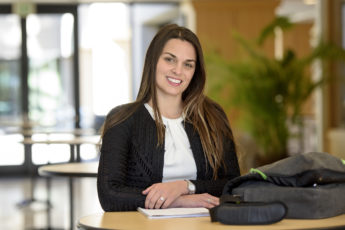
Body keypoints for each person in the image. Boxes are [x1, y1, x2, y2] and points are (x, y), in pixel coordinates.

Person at [97, 24, 240, 212]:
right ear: (153, 60)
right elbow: (110, 195)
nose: (178, 71)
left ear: (195, 72)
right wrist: (177, 201)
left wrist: (186, 186)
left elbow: (233, 184)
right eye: (170, 60)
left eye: (188, 64)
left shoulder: (213, 116)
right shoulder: (123, 119)